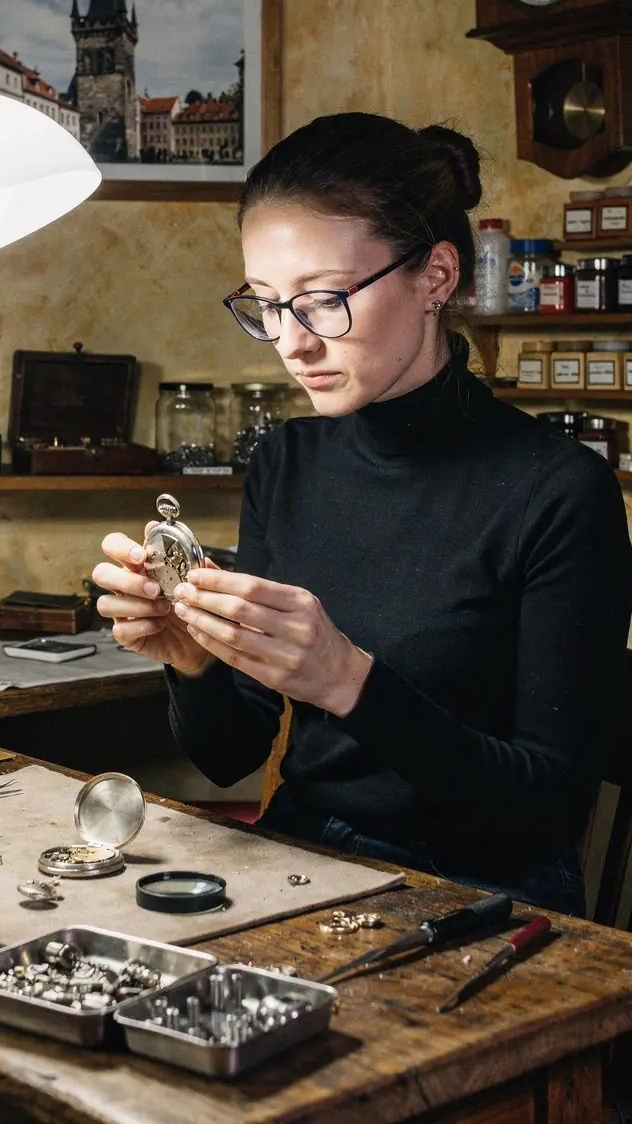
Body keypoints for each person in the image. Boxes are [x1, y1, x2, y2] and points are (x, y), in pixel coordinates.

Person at [92, 112, 632, 914]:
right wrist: (191, 661)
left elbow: (547, 809)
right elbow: (229, 755)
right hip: (304, 858)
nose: (290, 342)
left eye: (321, 301)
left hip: (484, 892)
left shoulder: (558, 490)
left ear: (436, 277)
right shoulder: (287, 462)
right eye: (266, 304)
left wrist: (349, 681)